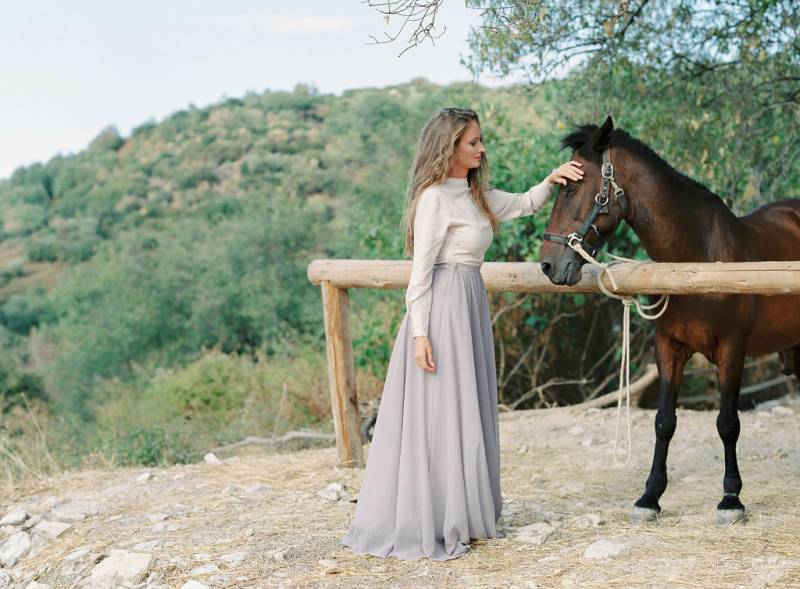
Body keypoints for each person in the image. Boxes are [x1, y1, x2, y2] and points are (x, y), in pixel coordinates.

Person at [341, 107, 583, 561]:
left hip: (470, 300)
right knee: (442, 412)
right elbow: (421, 272)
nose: (481, 148)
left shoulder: (475, 195)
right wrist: (419, 333)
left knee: (466, 409)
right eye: (473, 141)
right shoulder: (434, 199)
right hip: (444, 307)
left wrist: (553, 179)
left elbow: (525, 203)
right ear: (449, 147)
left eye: (480, 140)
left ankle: (466, 514)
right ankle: (435, 517)